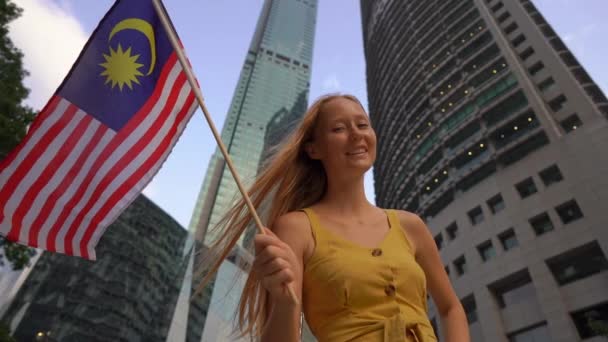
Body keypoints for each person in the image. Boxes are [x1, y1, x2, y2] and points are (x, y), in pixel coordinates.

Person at [197, 94, 470, 341]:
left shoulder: (410, 226)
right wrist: (285, 303)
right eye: (339, 128)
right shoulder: (296, 228)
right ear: (313, 149)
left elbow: (450, 308)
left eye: (362, 125)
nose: (356, 135)